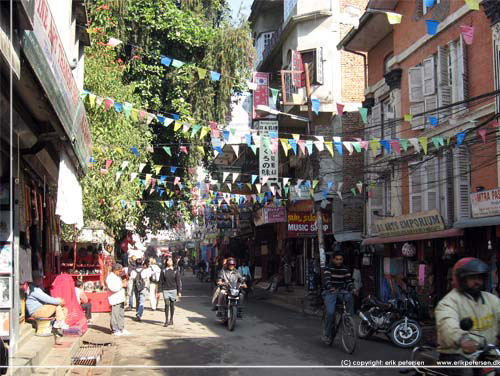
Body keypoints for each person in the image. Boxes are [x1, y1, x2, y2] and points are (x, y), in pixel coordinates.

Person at [435, 257, 500, 375]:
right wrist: (462, 339)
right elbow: (447, 324)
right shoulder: (449, 302)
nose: (477, 282)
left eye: (480, 277)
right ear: (461, 279)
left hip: (486, 354)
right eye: (472, 278)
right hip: (456, 355)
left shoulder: (492, 300)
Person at [321, 251, 354, 344]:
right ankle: (326, 334)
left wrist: (353, 288)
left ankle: (348, 319)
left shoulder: (345, 269)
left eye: (341, 259)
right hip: (329, 292)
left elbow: (349, 281)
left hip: (341, 291)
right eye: (337, 259)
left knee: (349, 297)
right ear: (333, 259)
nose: (339, 261)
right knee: (330, 313)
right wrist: (331, 287)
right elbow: (327, 280)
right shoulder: (328, 268)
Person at [105, 263, 130, 336]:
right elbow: (113, 288)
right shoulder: (110, 278)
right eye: (119, 271)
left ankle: (121, 327)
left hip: (120, 298)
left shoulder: (117, 277)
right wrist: (122, 285)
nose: (120, 273)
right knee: (115, 315)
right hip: (114, 299)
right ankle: (115, 329)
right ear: (115, 270)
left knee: (121, 314)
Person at [159, 254, 182, 327]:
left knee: (172, 305)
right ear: (166, 262)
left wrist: (179, 292)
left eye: (170, 260)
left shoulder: (175, 271)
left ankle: (171, 319)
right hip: (165, 290)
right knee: (166, 305)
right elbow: (160, 281)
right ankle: (166, 320)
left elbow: (178, 282)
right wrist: (159, 291)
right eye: (168, 260)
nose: (169, 262)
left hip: (173, 290)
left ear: (173, 262)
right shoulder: (163, 270)